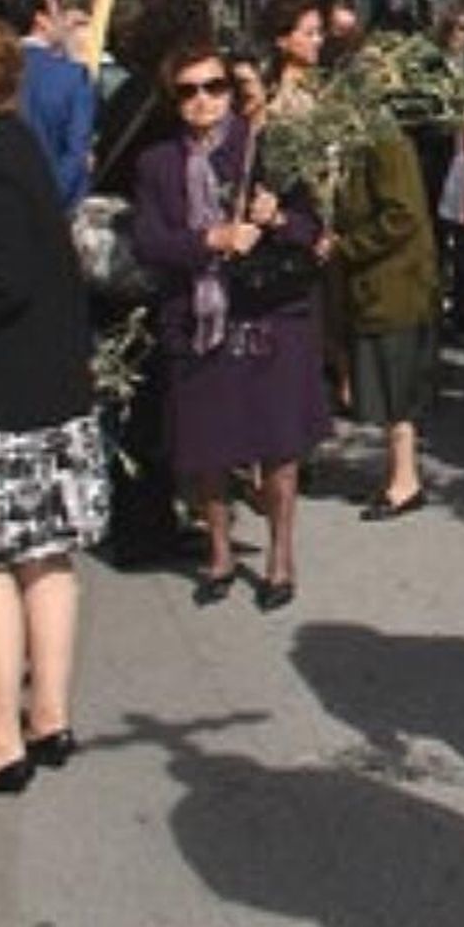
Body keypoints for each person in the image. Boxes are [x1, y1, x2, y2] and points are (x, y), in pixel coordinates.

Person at [0, 13, 109, 796]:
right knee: (46, 558)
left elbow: (1, 282)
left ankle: (0, 736)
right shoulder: (14, 151)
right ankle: (49, 713)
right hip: (45, 392)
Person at [132, 40, 328, 610]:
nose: (203, 100)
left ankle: (280, 557)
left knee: (278, 444)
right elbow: (147, 242)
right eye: (188, 90)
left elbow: (314, 228)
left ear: (232, 91)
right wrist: (208, 241)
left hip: (268, 314)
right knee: (208, 447)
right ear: (173, 98)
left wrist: (278, 217)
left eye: (214, 87)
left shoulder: (267, 147)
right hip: (197, 318)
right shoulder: (156, 163)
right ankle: (217, 552)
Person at [334, 109, 439, 518]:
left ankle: (405, 481)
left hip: (396, 283)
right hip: (382, 283)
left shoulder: (386, 141)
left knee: (397, 383)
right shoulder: (369, 138)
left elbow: (402, 214)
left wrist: (346, 247)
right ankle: (398, 476)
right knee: (389, 382)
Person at [0, 0, 95, 209]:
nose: (62, 20)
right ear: (41, 20)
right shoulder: (72, 76)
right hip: (57, 208)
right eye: (57, 11)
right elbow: (76, 150)